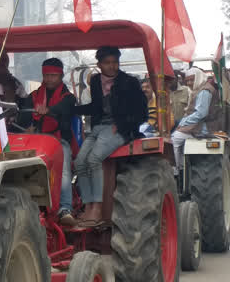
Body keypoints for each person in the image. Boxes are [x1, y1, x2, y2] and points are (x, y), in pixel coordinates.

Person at [72, 47, 147, 225]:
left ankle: (98, 207)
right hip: (98, 127)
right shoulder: (96, 81)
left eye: (115, 62)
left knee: (94, 159)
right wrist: (72, 109)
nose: (112, 66)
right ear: (99, 65)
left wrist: (121, 125)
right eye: (107, 63)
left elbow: (141, 113)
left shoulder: (130, 82)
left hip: (119, 129)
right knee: (79, 162)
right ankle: (88, 205)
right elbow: (95, 108)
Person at [18, 58, 78, 225]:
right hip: (37, 142)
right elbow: (23, 116)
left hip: (60, 142)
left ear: (61, 75)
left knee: (63, 169)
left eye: (54, 75)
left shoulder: (68, 97)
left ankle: (64, 208)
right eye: (47, 75)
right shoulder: (34, 96)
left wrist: (48, 111)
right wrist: (28, 125)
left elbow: (62, 109)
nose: (50, 79)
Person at [171, 67, 223, 171]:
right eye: (187, 81)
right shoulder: (200, 89)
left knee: (174, 139)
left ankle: (177, 169)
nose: (189, 83)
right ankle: (182, 165)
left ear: (198, 78)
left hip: (206, 126)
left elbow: (201, 113)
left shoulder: (204, 91)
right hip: (202, 124)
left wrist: (183, 122)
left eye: (192, 80)